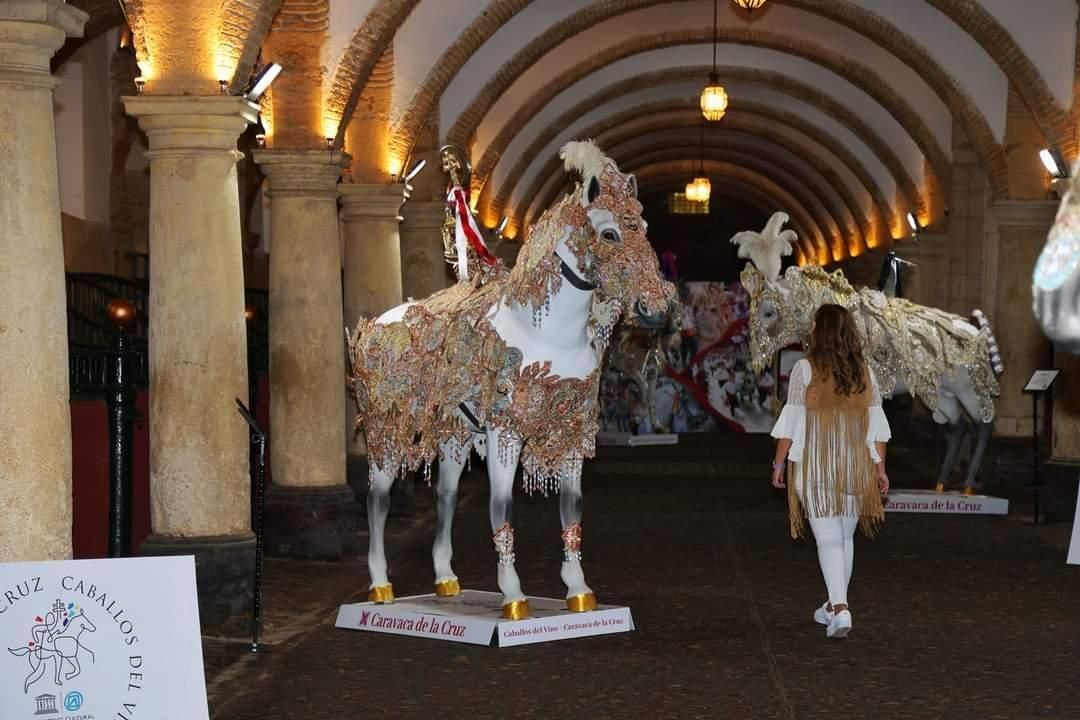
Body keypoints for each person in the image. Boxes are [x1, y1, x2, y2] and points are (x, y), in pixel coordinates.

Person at [770, 304, 891, 639]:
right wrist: (880, 469)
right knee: (843, 538)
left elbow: (791, 423)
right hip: (855, 464)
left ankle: (840, 609)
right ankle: (833, 606)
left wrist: (779, 463)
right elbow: (878, 426)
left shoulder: (804, 369)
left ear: (819, 331)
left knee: (828, 539)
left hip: (817, 464)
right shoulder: (865, 371)